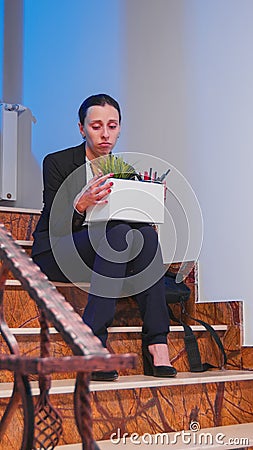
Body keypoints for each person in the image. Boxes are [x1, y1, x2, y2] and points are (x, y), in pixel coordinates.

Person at [32, 93, 177, 381]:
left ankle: (158, 342)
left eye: (112, 126)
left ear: (120, 127)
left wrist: (149, 206)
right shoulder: (58, 163)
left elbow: (130, 226)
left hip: (108, 251)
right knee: (118, 235)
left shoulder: (126, 172)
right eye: (96, 126)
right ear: (81, 128)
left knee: (145, 235)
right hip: (59, 249)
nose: (105, 134)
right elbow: (54, 223)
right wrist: (79, 203)